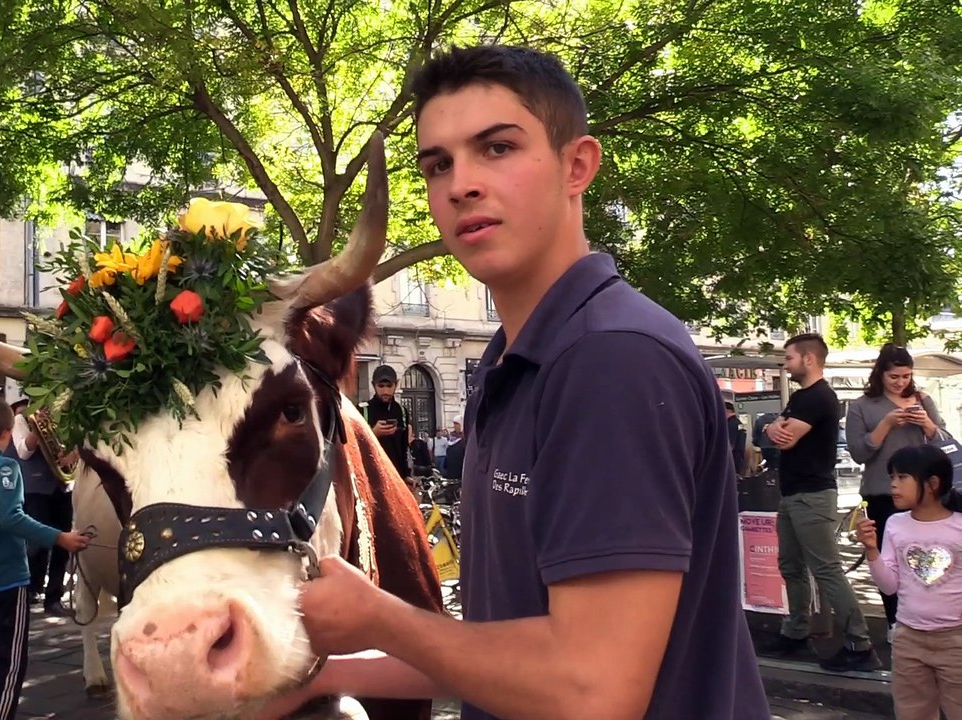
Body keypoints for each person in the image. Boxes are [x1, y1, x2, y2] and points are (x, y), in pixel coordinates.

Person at [260, 44, 769, 719]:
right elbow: (509, 653)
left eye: (496, 148)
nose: (460, 183)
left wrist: (378, 617)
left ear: (577, 165)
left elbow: (591, 689)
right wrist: (320, 676)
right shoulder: (516, 360)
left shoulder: (609, 360)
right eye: (438, 164)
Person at [0, 397, 90, 720]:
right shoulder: (5, 466)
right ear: (8, 433)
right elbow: (12, 518)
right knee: (10, 665)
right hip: (7, 577)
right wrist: (60, 537)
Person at [763, 333, 878, 671]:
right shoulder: (801, 399)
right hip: (794, 493)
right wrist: (772, 426)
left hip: (812, 495)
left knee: (825, 568)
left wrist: (773, 428)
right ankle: (795, 631)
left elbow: (783, 440)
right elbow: (771, 432)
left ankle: (860, 643)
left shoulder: (818, 398)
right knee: (790, 565)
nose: (785, 365)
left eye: (789, 358)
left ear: (808, 359)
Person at [845, 344, 945, 636]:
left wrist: (927, 424)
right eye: (894, 377)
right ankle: (894, 621)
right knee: (889, 560)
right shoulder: (862, 406)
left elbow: (943, 442)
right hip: (881, 493)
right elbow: (858, 452)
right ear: (881, 374)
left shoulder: (923, 399)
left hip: (926, 493)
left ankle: (929, 619)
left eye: (906, 376)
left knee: (928, 556)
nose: (901, 382)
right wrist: (886, 425)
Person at [857, 444, 962, 719]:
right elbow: (889, 586)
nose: (893, 485)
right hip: (908, 639)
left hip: (956, 640)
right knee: (912, 712)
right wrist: (871, 550)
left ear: (933, 483)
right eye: (892, 477)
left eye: (902, 477)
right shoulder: (895, 524)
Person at [7, 397, 76, 615]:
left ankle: (53, 598)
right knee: (37, 542)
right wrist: (37, 431)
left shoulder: (65, 417)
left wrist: (73, 454)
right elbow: (23, 451)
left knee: (63, 544)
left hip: (63, 486)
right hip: (35, 488)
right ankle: (30, 589)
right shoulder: (22, 419)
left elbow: (75, 445)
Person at [364, 364, 410, 480]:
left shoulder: (402, 411)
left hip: (396, 477)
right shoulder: (362, 410)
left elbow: (404, 448)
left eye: (389, 386)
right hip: (371, 477)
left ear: (396, 385)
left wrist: (406, 475)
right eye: (381, 386)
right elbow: (353, 447)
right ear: (373, 385)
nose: (385, 391)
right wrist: (373, 434)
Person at [726, 400, 747, 475]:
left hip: (732, 459)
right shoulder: (738, 423)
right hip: (739, 456)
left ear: (727, 411)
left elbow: (730, 444)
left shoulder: (730, 424)